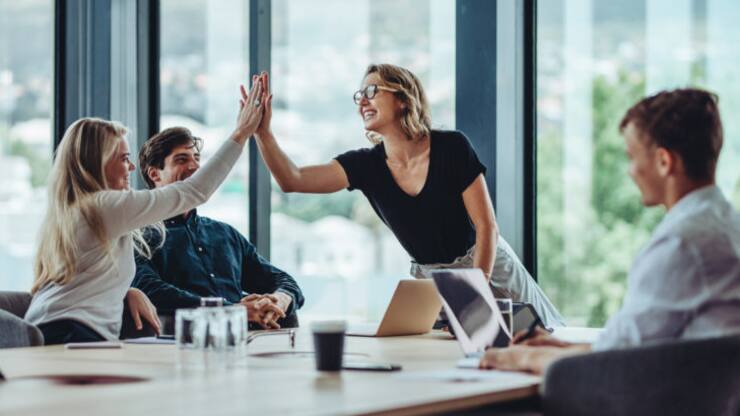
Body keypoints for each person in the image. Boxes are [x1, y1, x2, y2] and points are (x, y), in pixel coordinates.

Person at [251, 64, 564, 327]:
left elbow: (487, 227)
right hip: (432, 283)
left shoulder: (452, 147)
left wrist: (473, 290)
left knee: (542, 338)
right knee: (456, 363)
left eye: (372, 91)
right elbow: (292, 179)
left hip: (487, 265)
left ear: (403, 98)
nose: (362, 101)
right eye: (359, 95)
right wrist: (263, 133)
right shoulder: (365, 166)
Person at [480, 88, 740, 374]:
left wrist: (518, 358)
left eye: (632, 157)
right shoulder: (726, 225)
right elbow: (633, 344)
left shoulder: (682, 243)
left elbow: (616, 362)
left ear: (665, 162)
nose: (630, 171)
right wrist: (562, 347)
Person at [24, 76, 265, 344]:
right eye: (123, 158)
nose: (131, 168)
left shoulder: (76, 209)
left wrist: (126, 291)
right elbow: (195, 191)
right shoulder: (102, 206)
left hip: (53, 328)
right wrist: (241, 133)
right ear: (98, 162)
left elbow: (83, 277)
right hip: (70, 334)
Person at [133, 127, 304, 329]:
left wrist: (279, 300)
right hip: (182, 345)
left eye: (196, 158)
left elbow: (284, 281)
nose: (195, 167)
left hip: (247, 343)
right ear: (154, 174)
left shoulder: (224, 233)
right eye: (181, 159)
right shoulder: (138, 236)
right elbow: (150, 290)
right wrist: (232, 310)